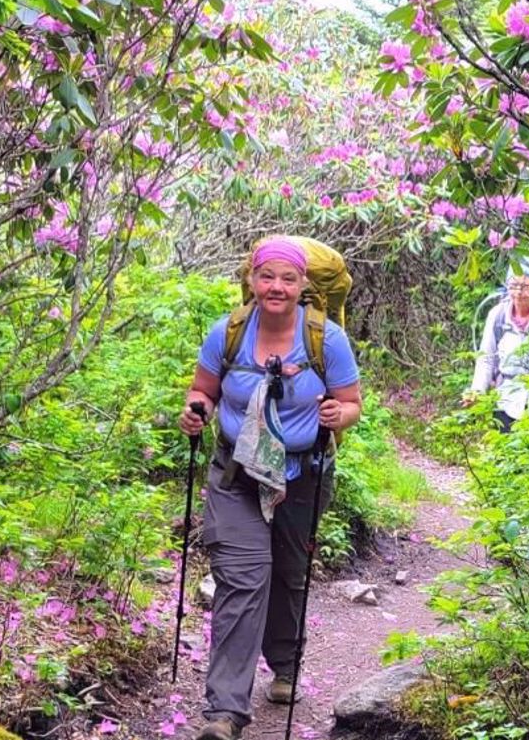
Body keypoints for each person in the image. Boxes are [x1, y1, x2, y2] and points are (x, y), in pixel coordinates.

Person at [179, 237, 362, 740]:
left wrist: (336, 413)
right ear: (252, 281)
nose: (276, 287)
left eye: (287, 278)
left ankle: (285, 664)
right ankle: (224, 713)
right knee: (242, 578)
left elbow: (351, 403)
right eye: (267, 277)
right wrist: (197, 410)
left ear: (302, 285)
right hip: (237, 476)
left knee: (288, 573)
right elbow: (204, 390)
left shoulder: (327, 340)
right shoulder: (229, 332)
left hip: (301, 476)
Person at [465, 268, 529, 432]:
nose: (519, 292)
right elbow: (486, 358)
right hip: (506, 402)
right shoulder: (498, 315)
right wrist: (477, 391)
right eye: (514, 285)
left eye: (526, 286)